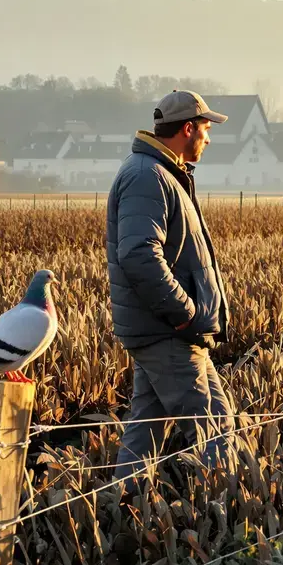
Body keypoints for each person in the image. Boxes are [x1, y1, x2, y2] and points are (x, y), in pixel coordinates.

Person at [106, 89, 236, 480]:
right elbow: (138, 254)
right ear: (187, 129)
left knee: (144, 431)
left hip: (160, 332)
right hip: (168, 333)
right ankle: (229, 521)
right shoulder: (148, 177)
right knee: (215, 427)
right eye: (206, 129)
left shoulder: (160, 172)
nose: (209, 138)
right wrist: (184, 315)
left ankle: (121, 509)